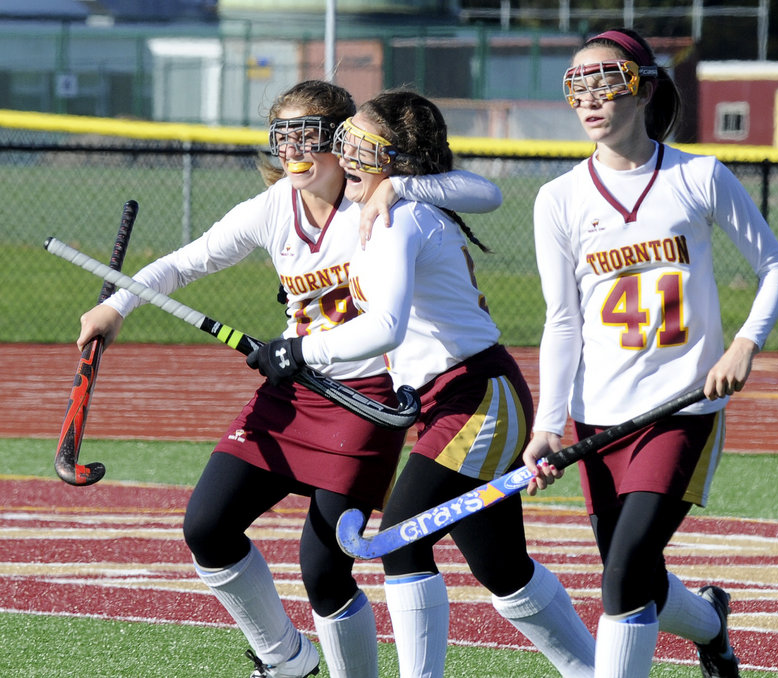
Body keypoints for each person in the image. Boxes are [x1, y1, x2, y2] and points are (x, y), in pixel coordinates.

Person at [76, 80, 505, 678]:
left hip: (366, 398)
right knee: (207, 526)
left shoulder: (379, 203)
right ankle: (287, 660)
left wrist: (400, 185)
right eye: (283, 136)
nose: (293, 151)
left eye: (309, 135)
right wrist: (115, 309)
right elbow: (186, 260)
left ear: (342, 140)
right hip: (292, 390)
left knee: (324, 570)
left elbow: (483, 192)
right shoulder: (276, 206)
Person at [247, 89, 596, 678]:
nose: (343, 153)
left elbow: (386, 326)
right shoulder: (380, 209)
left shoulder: (400, 215)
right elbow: (476, 191)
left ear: (393, 159)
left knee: (400, 540)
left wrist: (301, 349)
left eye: (359, 144)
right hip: (450, 400)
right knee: (502, 567)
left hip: (477, 395)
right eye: (343, 141)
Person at [521, 28, 778, 678]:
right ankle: (711, 625)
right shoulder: (557, 199)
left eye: (604, 80)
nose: (588, 97)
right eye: (575, 84)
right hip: (598, 418)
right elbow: (562, 320)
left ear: (641, 86)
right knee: (636, 574)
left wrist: (744, 343)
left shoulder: (698, 175)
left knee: (622, 580)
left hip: (681, 408)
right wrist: (545, 424)